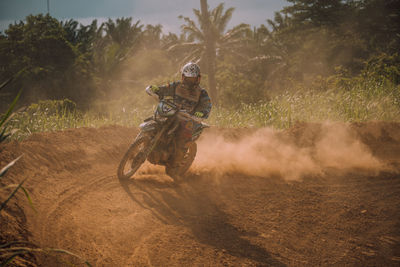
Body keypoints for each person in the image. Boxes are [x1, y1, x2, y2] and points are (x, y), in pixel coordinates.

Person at [145, 62, 212, 167]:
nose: (190, 82)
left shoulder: (202, 93)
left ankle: (175, 164)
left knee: (182, 137)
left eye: (193, 79)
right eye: (188, 79)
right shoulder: (176, 86)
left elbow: (207, 105)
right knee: (157, 121)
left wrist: (200, 113)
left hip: (188, 118)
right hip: (172, 113)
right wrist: (157, 89)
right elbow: (164, 89)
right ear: (183, 77)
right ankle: (143, 147)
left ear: (198, 79)